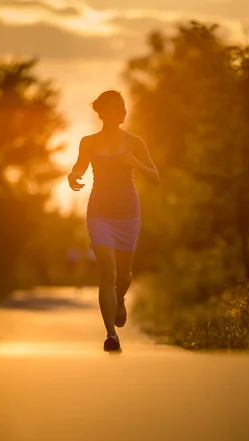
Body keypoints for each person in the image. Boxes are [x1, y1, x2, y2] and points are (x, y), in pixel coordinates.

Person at [67, 90, 160, 352]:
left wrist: (134, 163)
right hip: (99, 212)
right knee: (107, 272)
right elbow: (79, 167)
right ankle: (111, 335)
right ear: (103, 112)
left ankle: (119, 299)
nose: (122, 111)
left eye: (123, 107)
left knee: (124, 275)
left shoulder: (134, 142)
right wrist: (72, 176)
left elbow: (155, 176)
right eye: (116, 107)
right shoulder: (88, 142)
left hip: (128, 213)